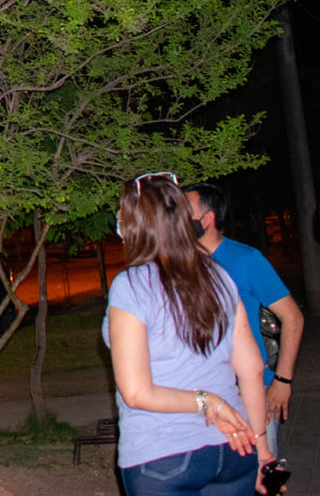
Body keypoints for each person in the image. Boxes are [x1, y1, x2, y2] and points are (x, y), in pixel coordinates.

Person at [104, 172, 283, 495]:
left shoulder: (131, 286)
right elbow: (253, 369)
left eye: (121, 214)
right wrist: (261, 449)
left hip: (162, 455)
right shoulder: (219, 276)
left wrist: (206, 401)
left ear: (134, 224)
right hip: (234, 449)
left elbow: (136, 392)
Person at [184, 183, 305, 457]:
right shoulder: (181, 265)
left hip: (251, 389)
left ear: (208, 219)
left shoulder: (246, 259)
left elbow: (293, 318)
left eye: (184, 212)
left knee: (257, 464)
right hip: (203, 390)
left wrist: (282, 380)